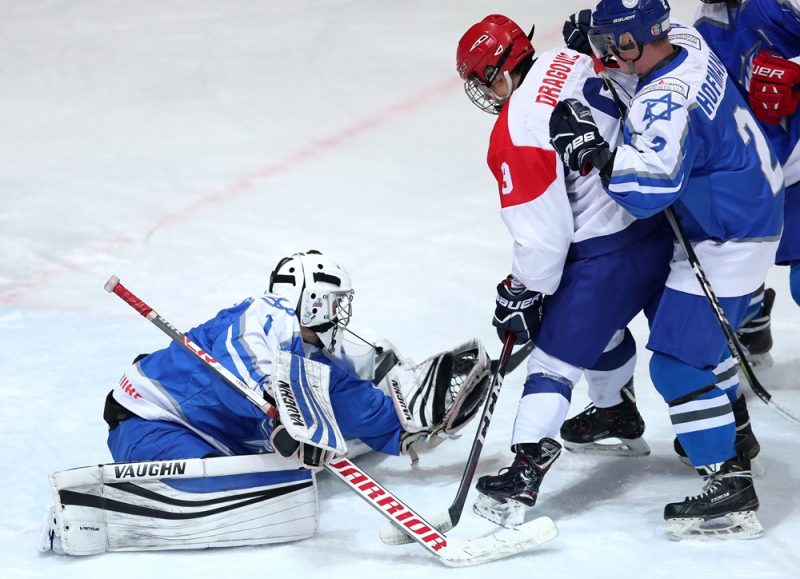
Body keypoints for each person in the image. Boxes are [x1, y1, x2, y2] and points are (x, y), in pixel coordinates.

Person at [39, 249, 492, 555]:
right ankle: (97, 513)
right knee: (234, 493)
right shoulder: (263, 315)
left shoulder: (316, 360)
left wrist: (419, 420)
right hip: (151, 419)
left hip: (215, 435)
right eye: (336, 302)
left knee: (290, 476)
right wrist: (281, 410)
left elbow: (368, 413)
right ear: (312, 301)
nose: (341, 313)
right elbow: (241, 359)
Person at [549, 0, 784, 539]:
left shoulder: (666, 99)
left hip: (730, 235)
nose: (605, 53)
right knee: (702, 344)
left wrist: (590, 151)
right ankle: (735, 435)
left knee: (677, 365)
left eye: (612, 45)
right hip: (747, 203)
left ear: (634, 41)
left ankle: (729, 487)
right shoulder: (685, 41)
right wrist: (605, 43)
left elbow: (646, 191)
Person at [455, 15, 674, 528]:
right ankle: (622, 412)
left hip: (606, 256)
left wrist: (522, 292)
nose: (485, 93)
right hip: (658, 226)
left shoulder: (516, 128)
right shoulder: (570, 58)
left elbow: (542, 239)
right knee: (625, 336)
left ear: (501, 72)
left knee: (552, 361)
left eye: (484, 80)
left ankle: (523, 474)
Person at [694, 0, 800, 365]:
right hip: (770, 170)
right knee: (718, 252)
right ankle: (751, 319)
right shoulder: (705, 24)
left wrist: (795, 68)